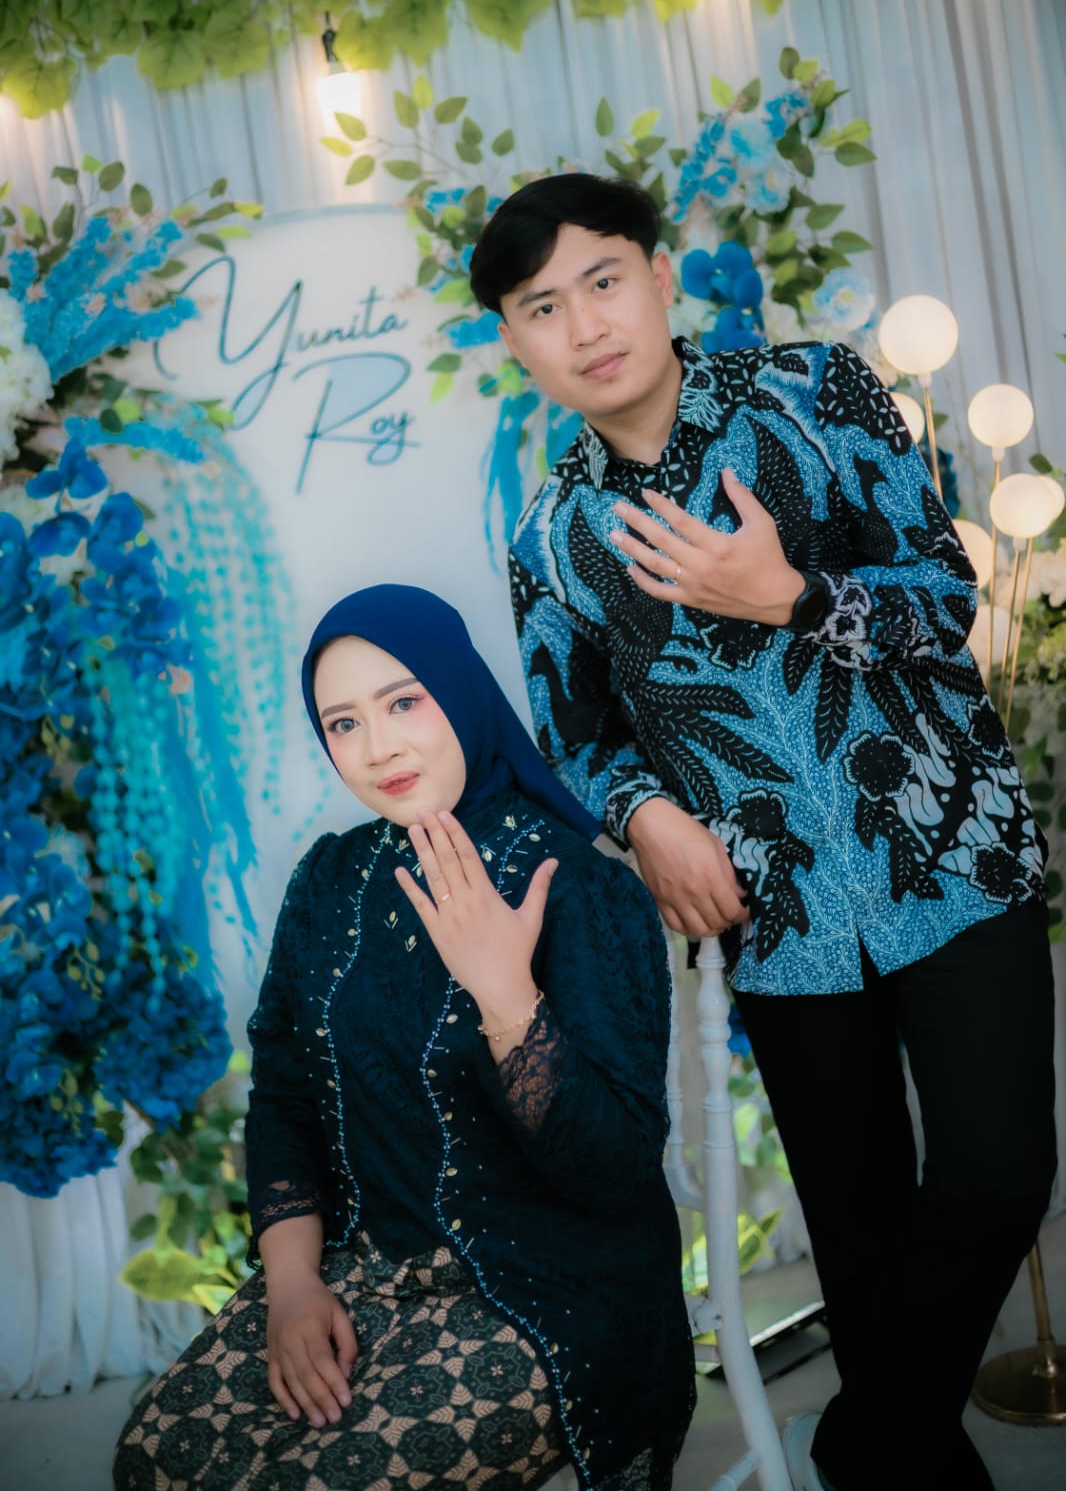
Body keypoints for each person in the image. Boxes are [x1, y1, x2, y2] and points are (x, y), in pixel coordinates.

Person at [469, 173, 1057, 1491]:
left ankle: (857, 1443)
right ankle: (912, 1470)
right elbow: (577, 735)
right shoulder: (552, 536)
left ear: (657, 275)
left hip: (947, 848)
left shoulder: (815, 390)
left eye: (602, 280)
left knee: (998, 1169)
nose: (584, 324)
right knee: (859, 1235)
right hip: (774, 913)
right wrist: (644, 818)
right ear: (513, 339)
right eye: (542, 306)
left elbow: (945, 598)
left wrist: (792, 595)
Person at [113, 583, 694, 1491]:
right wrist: (293, 1286)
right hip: (360, 1271)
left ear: (458, 689)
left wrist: (507, 998)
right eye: (342, 723)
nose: (377, 747)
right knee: (155, 1457)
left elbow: (615, 1176)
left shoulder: (580, 888)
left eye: (403, 702)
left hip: (548, 1294)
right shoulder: (329, 878)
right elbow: (285, 1096)